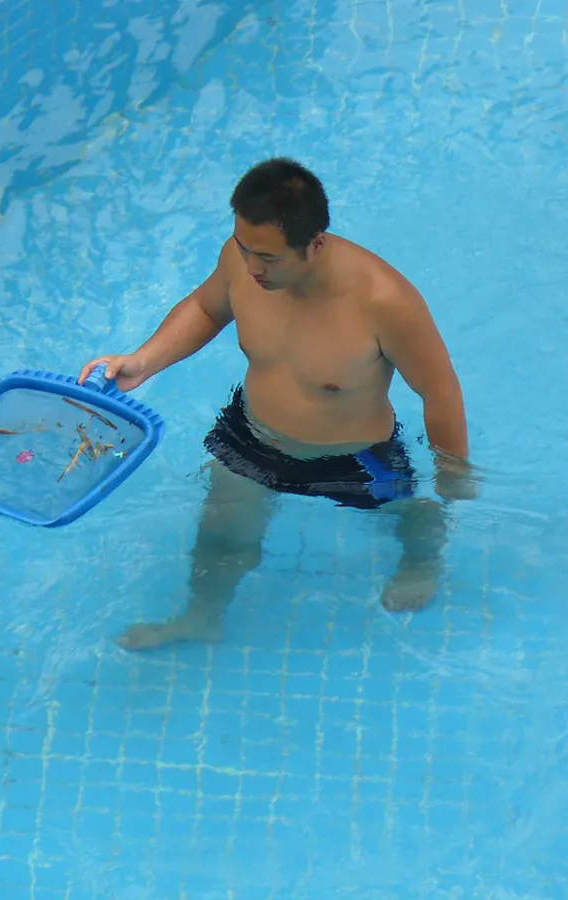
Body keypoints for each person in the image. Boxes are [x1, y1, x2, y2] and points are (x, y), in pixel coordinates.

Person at [78, 158, 476, 650]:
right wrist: (144, 361)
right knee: (221, 537)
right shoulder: (242, 261)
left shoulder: (384, 302)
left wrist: (453, 473)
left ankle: (421, 563)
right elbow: (206, 307)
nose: (252, 268)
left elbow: (440, 392)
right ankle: (201, 618)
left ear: (316, 244)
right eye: (244, 248)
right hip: (254, 435)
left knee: (409, 517)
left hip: (352, 458)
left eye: (268, 257)